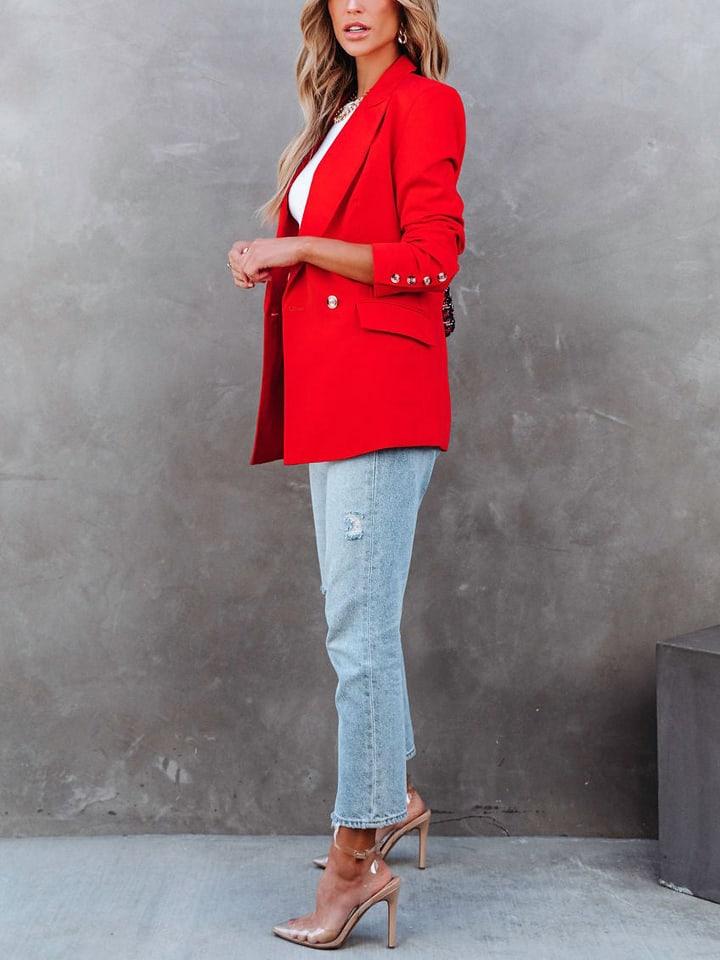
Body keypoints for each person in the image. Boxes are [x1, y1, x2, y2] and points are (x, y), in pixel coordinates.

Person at [227, 0, 466, 948]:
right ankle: (392, 797)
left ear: (407, 12)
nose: (354, 6)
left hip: (382, 396)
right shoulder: (337, 117)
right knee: (357, 622)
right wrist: (272, 254)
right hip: (332, 399)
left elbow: (432, 256)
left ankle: (355, 862)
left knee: (357, 633)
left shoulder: (425, 104)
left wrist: (295, 246)